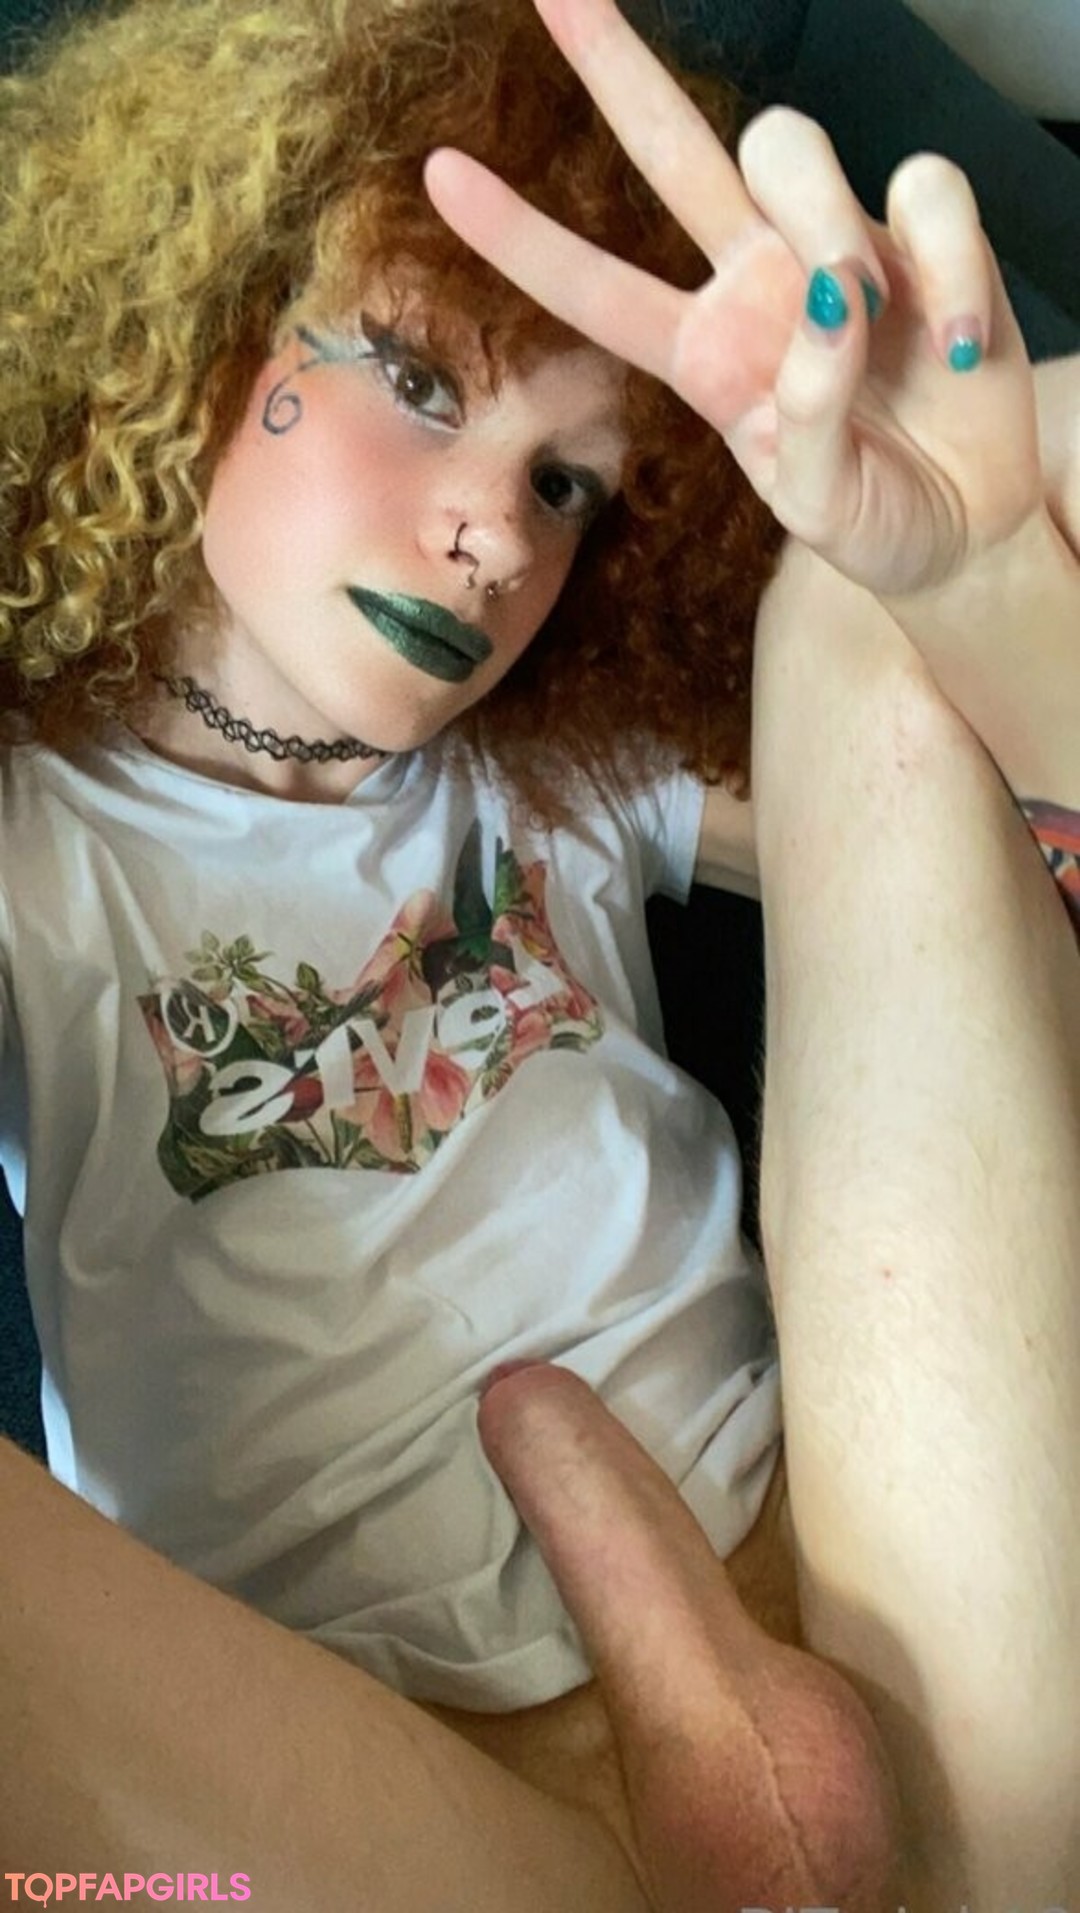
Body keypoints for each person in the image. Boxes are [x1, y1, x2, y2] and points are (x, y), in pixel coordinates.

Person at [0, 2, 1076, 1910]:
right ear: (200, 321)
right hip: (368, 1812)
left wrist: (991, 589)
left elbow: (980, 852)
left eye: (570, 481)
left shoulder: (571, 766)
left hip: (910, 1637)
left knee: (883, 598)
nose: (499, 529)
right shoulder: (35, 834)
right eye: (421, 377)